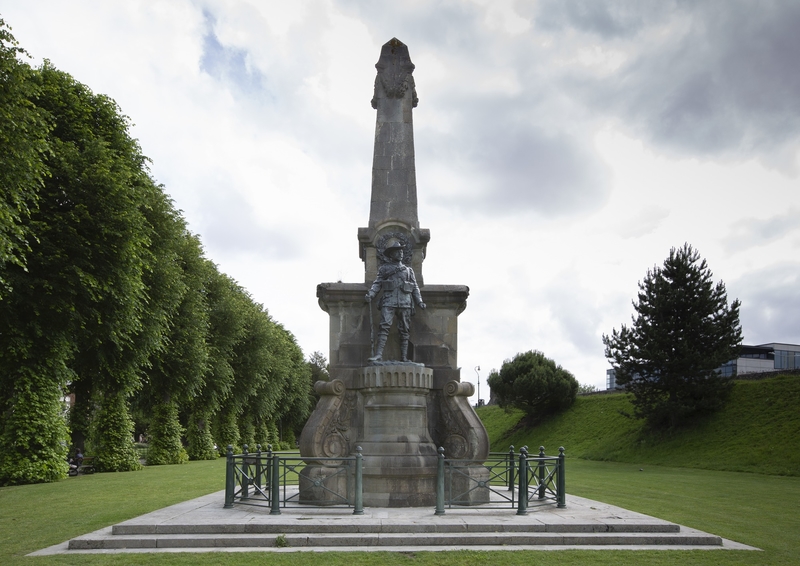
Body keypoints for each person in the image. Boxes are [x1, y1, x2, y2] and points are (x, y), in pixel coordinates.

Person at [365, 241, 426, 362]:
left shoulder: (409, 271)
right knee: (384, 327)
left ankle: (404, 357)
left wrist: (419, 301)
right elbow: (377, 283)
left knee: (404, 329)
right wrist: (371, 294)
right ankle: (378, 355)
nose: (400, 253)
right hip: (389, 301)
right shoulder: (384, 269)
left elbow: (415, 287)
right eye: (397, 251)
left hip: (405, 302)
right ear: (391, 254)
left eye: (401, 251)